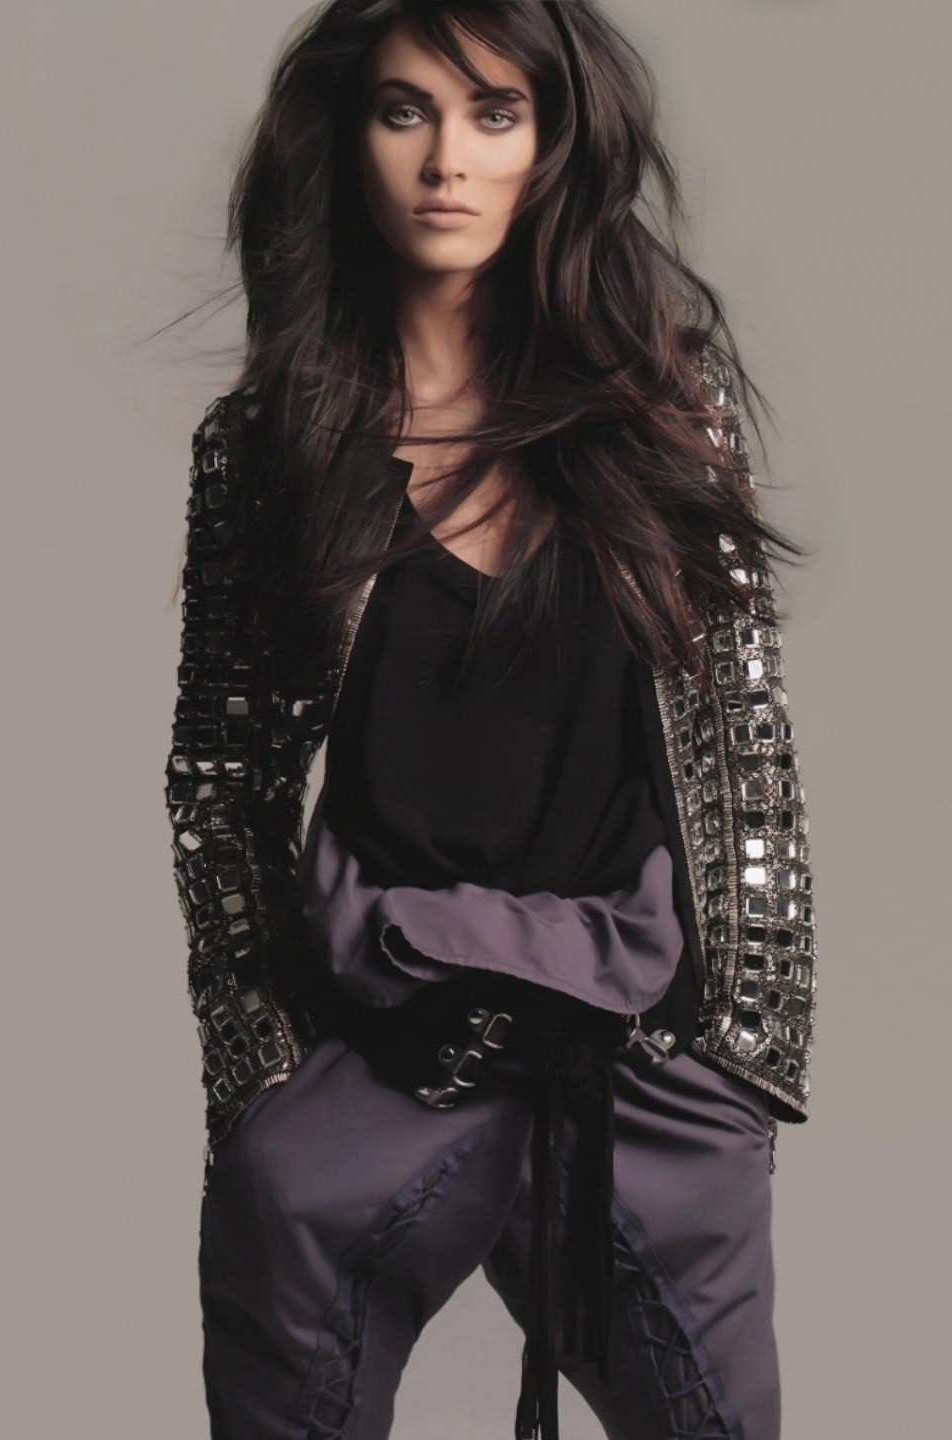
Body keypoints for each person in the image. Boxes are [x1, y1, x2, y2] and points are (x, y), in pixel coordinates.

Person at [162, 3, 815, 1438]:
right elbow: (220, 782)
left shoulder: (666, 407)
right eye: (405, 111)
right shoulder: (267, 449)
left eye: (494, 114)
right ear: (349, 138)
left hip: (636, 1043)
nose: (446, 159)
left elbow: (746, 743)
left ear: (552, 145)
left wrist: (741, 1064)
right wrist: (260, 1079)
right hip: (383, 1034)